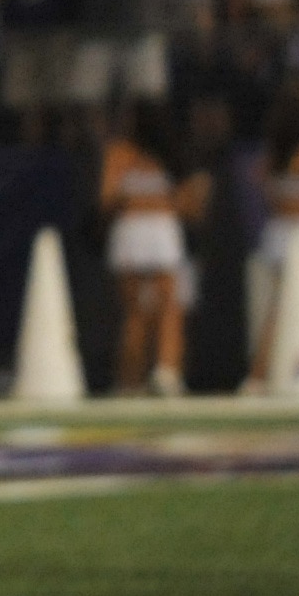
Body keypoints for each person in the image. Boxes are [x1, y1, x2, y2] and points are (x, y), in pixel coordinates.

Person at [101, 109, 198, 398]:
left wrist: (135, 192)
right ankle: (167, 372)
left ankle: (130, 381)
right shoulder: (169, 154)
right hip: (161, 232)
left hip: (132, 232)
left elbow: (108, 198)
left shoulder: (119, 154)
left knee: (136, 313)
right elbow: (188, 201)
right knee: (169, 308)